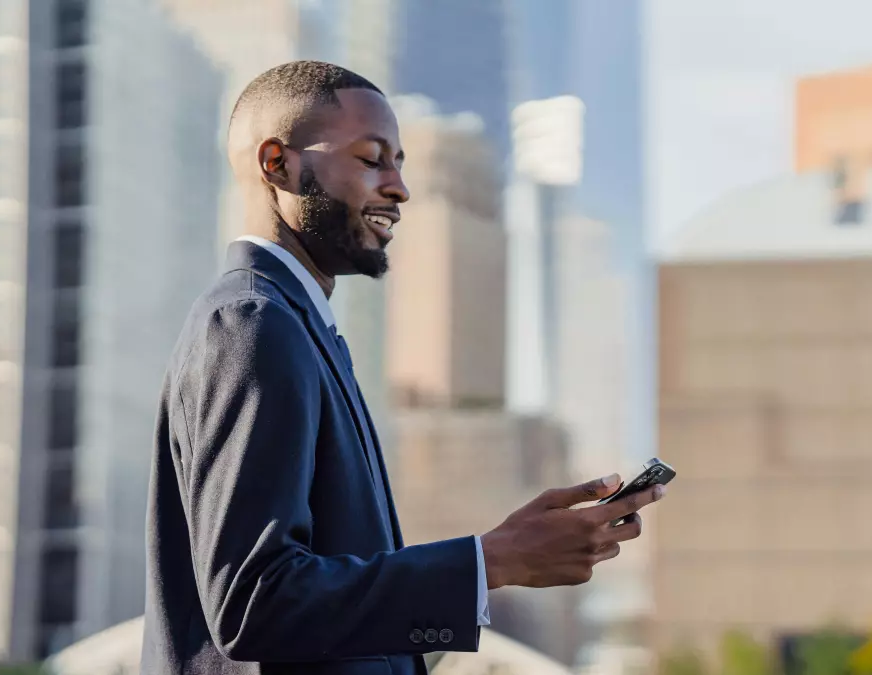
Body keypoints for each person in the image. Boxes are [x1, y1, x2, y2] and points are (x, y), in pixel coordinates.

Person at [140, 60, 665, 675]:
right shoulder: (253, 324)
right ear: (276, 163)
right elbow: (253, 602)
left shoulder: (303, 332)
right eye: (371, 159)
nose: (398, 187)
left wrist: (496, 561)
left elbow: (326, 613)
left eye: (400, 163)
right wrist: (491, 560)